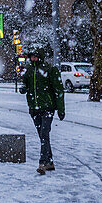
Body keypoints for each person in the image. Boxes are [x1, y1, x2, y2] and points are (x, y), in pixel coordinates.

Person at [18, 46, 65, 175]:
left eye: (35, 56)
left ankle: (42, 163)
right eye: (32, 56)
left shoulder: (50, 69)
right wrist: (24, 88)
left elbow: (59, 90)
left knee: (44, 133)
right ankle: (49, 162)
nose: (33, 58)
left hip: (47, 107)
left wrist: (61, 109)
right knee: (42, 135)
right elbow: (26, 84)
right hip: (34, 108)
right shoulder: (29, 70)